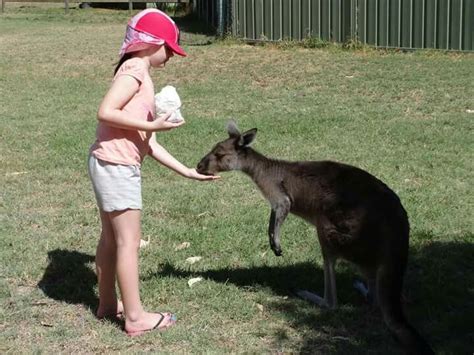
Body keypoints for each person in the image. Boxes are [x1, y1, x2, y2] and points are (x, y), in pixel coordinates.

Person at [88, 9, 219, 337]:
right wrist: (151, 123)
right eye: (170, 48)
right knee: (128, 241)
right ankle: (135, 318)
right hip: (118, 167)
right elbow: (105, 111)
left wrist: (187, 172)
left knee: (111, 239)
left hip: (107, 162)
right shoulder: (134, 70)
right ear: (151, 43)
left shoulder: (139, 74)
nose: (173, 55)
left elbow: (149, 144)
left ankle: (107, 304)